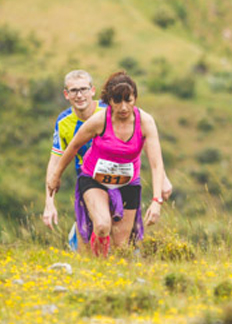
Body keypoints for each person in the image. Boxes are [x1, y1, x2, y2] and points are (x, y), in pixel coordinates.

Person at [47, 71, 170, 257]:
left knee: (121, 246)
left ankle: (111, 273)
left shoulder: (145, 122)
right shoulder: (99, 120)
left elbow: (156, 163)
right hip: (94, 179)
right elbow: (72, 147)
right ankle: (98, 264)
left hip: (128, 183)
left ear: (135, 98)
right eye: (117, 101)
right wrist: (55, 177)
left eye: (128, 101)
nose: (123, 107)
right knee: (103, 225)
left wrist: (156, 200)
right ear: (108, 101)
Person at [42, 69, 102, 251]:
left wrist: (161, 177)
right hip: (87, 181)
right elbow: (54, 161)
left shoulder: (109, 110)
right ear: (66, 95)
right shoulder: (63, 122)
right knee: (91, 229)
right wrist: (49, 203)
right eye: (74, 91)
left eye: (84, 89)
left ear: (93, 91)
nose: (79, 95)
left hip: (117, 178)